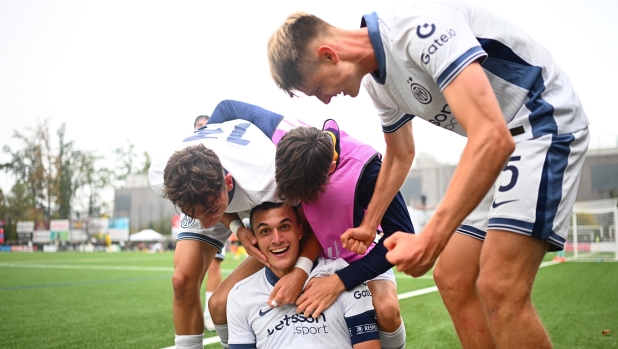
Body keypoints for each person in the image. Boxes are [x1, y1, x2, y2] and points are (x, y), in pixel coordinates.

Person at [267, 2, 590, 348]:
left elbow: (491, 135)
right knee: (452, 277)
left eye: (318, 89)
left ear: (329, 55)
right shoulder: (378, 86)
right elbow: (400, 154)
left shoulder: (418, 24)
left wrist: (430, 239)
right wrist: (368, 223)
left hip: (540, 124)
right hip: (499, 143)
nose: (327, 102)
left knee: (500, 285)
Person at [208, 100, 411, 349]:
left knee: (387, 309)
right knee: (218, 303)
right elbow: (226, 108)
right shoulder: (279, 133)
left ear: (332, 169)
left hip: (351, 253)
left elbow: (401, 237)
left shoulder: (366, 171)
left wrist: (339, 281)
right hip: (298, 242)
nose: (300, 203)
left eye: (308, 196)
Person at [149, 112, 322, 349]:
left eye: (211, 211)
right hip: (218, 191)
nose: (208, 223)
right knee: (182, 279)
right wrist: (237, 228)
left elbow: (314, 226)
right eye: (194, 214)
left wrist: (301, 271)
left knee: (220, 304)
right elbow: (205, 211)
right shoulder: (161, 174)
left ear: (228, 182)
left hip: (255, 188)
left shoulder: (269, 178)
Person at [227, 202, 380, 349]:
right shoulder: (239, 296)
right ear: (254, 240)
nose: (277, 239)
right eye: (265, 231)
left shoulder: (341, 277)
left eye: (285, 227)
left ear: (300, 232)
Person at [193, 114, 226, 331]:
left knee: (213, 265)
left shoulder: (223, 148)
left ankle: (210, 313)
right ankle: (194, 314)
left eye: (206, 125)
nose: (203, 128)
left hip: (225, 206)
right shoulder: (187, 154)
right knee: (189, 270)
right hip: (198, 213)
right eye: (198, 126)